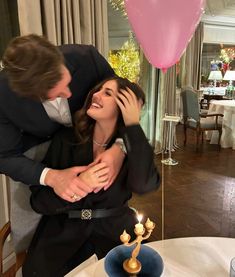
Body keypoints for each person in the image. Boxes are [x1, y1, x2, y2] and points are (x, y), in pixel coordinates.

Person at [22, 76, 160, 276]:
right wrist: (76, 186)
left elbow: (145, 184)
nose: (96, 95)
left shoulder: (134, 146)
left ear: (124, 106)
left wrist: (133, 125)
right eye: (98, 90)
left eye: (108, 93)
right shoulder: (65, 140)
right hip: (62, 236)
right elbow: (38, 202)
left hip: (117, 234)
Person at [0, 34, 125, 201]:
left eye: (67, 82)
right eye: (57, 94)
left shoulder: (87, 58)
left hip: (96, 140)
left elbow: (127, 104)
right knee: (29, 215)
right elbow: (5, 156)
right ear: (31, 94)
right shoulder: (3, 95)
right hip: (43, 151)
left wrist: (119, 148)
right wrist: (51, 177)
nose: (68, 94)